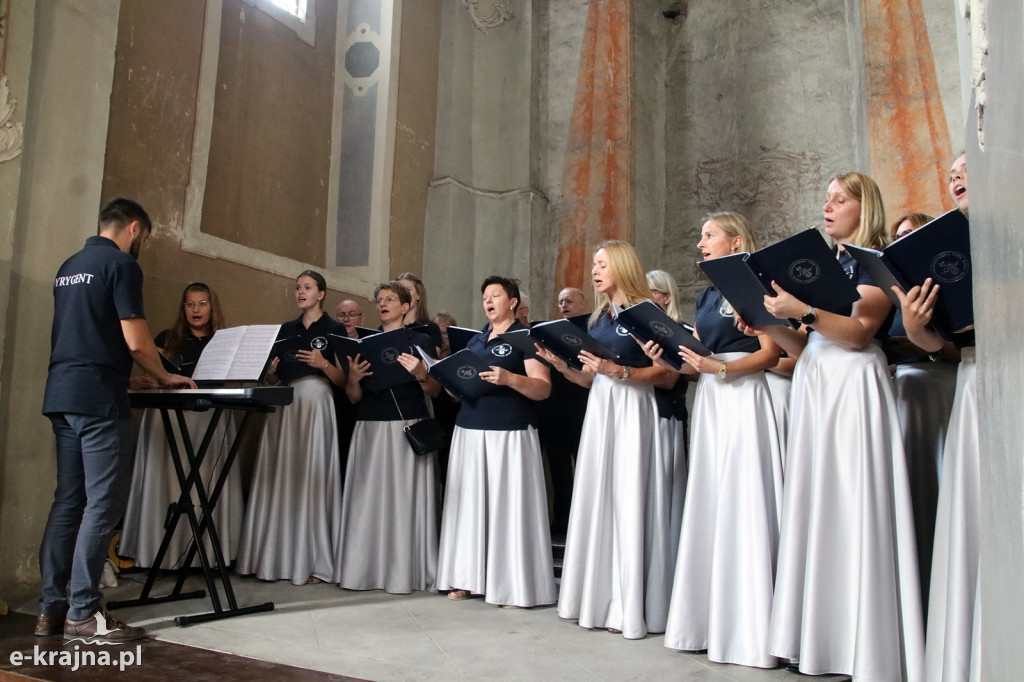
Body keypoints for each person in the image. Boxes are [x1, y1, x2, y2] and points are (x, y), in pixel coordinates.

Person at [755, 173, 924, 679]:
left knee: (853, 501)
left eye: (840, 200)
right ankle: (817, 634)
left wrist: (802, 309)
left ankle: (862, 641)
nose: (828, 207)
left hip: (853, 382)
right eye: (825, 198)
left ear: (863, 207)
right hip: (817, 378)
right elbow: (808, 344)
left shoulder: (874, 262)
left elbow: (857, 333)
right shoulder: (833, 264)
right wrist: (769, 322)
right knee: (816, 501)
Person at [38, 197, 195, 642]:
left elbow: (85, 335)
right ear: (132, 228)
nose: (140, 243)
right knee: (102, 504)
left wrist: (130, 381)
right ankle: (84, 613)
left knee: (68, 502)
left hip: (62, 393)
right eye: (142, 236)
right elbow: (136, 340)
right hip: (98, 401)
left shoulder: (69, 266)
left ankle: (51, 609)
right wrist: (163, 376)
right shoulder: (121, 265)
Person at [657, 214, 782, 668]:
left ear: (735, 240)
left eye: (708, 235)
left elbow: (771, 352)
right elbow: (699, 360)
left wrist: (723, 370)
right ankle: (707, 621)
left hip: (744, 395)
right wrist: (672, 353)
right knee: (711, 500)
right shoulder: (708, 295)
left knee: (744, 500)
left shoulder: (756, 281)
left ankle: (750, 629)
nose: (700, 242)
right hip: (711, 397)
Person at [546, 240, 676, 639]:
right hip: (602, 408)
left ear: (621, 265)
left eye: (602, 264)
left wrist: (618, 372)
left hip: (633, 408)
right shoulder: (600, 318)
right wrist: (564, 367)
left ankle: (629, 604)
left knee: (629, 498)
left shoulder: (647, 312)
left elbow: (668, 375)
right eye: (594, 265)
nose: (595, 272)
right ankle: (596, 598)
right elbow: (591, 377)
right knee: (599, 496)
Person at [896, 151, 979, 680]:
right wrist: (914, 321)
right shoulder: (948, 251)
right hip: (974, 376)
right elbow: (936, 342)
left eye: (966, 169)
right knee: (971, 507)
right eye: (950, 172)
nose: (955, 177)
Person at [436, 276, 557, 607]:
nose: (488, 301)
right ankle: (466, 577)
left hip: (510, 434)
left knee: (508, 509)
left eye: (495, 295)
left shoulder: (525, 338)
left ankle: (513, 585)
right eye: (485, 296)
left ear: (513, 302)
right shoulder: (476, 341)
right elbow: (460, 389)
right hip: (470, 429)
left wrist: (509, 378)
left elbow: (542, 387)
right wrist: (450, 382)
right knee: (469, 508)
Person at [119, 282, 244, 570]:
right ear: (183, 308)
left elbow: (235, 382)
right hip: (172, 421)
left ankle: (207, 555)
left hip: (210, 418)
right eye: (190, 304)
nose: (196, 309)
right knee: (172, 484)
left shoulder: (224, 341)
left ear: (212, 307)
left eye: (202, 303)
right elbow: (152, 371)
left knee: (207, 484)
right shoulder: (167, 338)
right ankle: (164, 554)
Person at [235, 270, 346, 585]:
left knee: (313, 475)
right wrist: (270, 375)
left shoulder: (334, 328)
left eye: (308, 287)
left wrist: (322, 363)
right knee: (282, 475)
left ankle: (314, 560)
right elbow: (270, 378)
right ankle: (276, 557)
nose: (301, 292)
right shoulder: (285, 329)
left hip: (317, 403)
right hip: (285, 404)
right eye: (298, 287)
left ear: (321, 293)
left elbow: (342, 380)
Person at [334, 282, 441, 593]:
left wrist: (421, 372)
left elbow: (435, 390)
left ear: (405, 307)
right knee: (368, 501)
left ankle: (403, 571)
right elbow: (353, 397)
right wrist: (353, 379)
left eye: (390, 299)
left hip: (407, 424)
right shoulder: (362, 342)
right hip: (369, 425)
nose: (383, 304)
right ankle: (363, 570)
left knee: (403, 501)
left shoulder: (421, 339)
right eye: (379, 299)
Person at [884, 211, 959, 614]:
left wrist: (922, 340)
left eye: (911, 235)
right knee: (907, 490)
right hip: (901, 391)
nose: (902, 240)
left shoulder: (944, 282)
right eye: (897, 237)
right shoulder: (890, 288)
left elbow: (954, 346)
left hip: (939, 386)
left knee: (940, 483)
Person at [644, 269, 690, 562]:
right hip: (642, 412)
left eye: (650, 291)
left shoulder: (679, 329)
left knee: (666, 487)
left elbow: (671, 377)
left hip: (667, 415)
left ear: (665, 296)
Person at [396, 272, 443, 355]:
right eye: (399, 291)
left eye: (407, 289)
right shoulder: (388, 327)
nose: (403, 294)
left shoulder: (431, 328)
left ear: (418, 295)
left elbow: (432, 362)